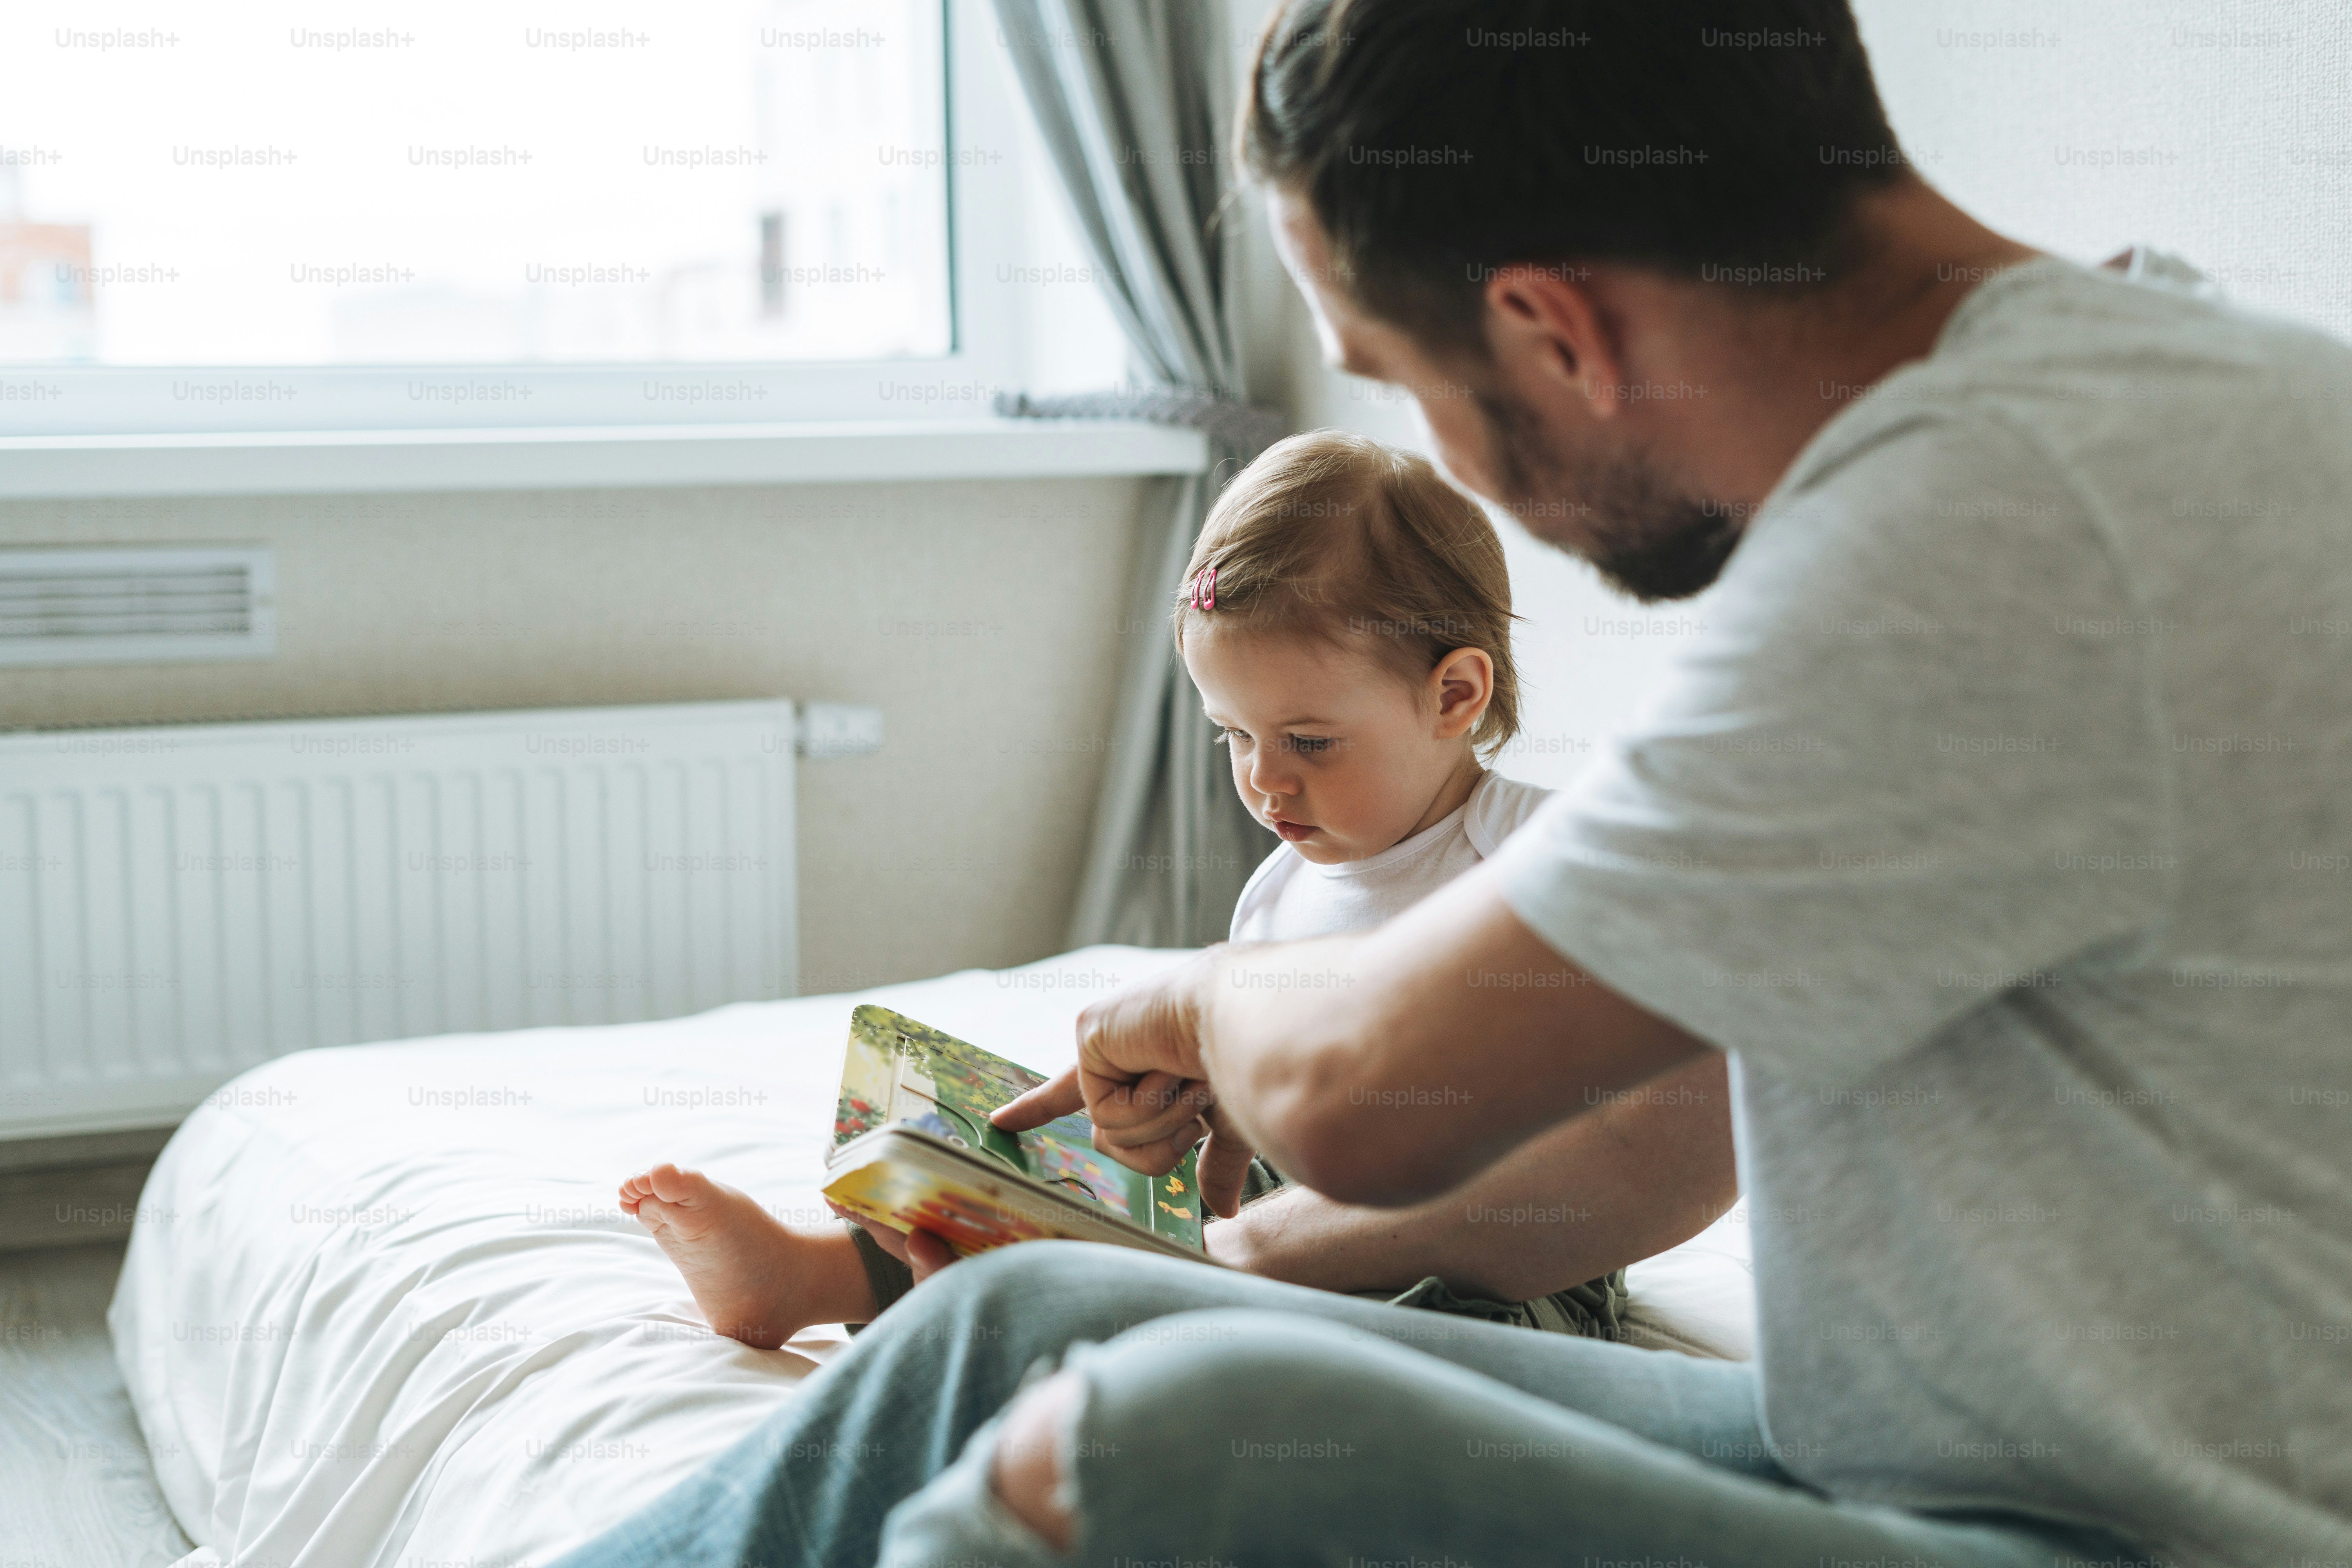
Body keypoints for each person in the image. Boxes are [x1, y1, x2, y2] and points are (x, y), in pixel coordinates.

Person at [561, 2, 2352, 1565]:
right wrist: (1258, 1262)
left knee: (1142, 1443)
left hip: (2106, 1535)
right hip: (1911, 1452)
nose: (1437, 446)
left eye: (1411, 378)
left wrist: (1181, 991)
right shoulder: (2170, 393)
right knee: (1024, 1323)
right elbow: (1684, 1118)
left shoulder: (1959, 550)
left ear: (1553, 327)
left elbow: (1356, 1091)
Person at [612, 428, 1733, 1347]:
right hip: (1294, 1185)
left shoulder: (1540, 850)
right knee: (1051, 1174)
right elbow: (1255, 1089)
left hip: (1500, 1238)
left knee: (1426, 1331)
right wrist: (1180, 1117)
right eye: (1232, 736)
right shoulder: (1280, 891)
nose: (1263, 780)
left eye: (1307, 739)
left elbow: (1645, 1077)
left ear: (1454, 695)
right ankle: (814, 1279)